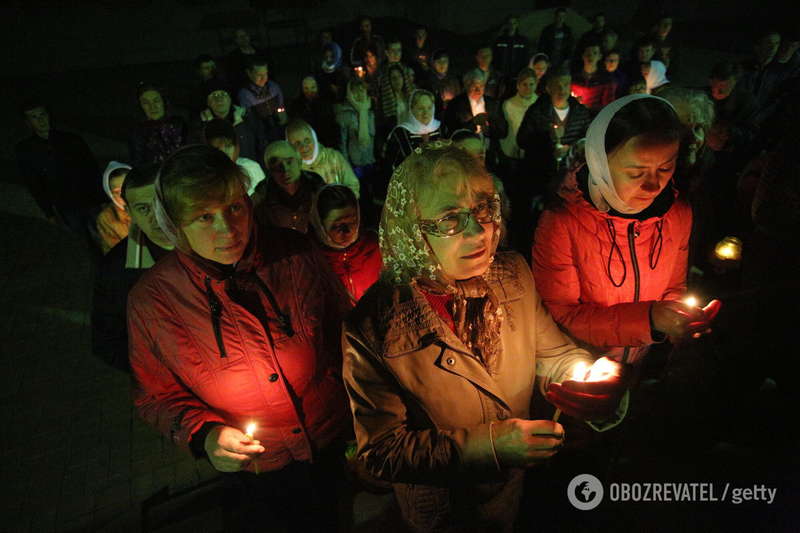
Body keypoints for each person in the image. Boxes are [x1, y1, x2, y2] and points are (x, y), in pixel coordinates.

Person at [342, 142, 628, 532]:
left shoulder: (512, 274)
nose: (479, 231)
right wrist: (490, 446)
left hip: (510, 491)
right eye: (449, 219)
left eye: (483, 209)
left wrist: (594, 378)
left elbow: (553, 354)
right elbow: (382, 451)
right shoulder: (375, 325)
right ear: (412, 231)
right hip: (441, 506)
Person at [128, 145, 351, 532]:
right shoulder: (154, 301)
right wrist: (205, 434)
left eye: (234, 207)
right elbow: (156, 395)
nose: (227, 230)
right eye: (203, 217)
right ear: (175, 226)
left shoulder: (296, 255)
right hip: (258, 471)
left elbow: (346, 336)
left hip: (331, 441)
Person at [532, 95, 720, 367]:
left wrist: (677, 320)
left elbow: (673, 287)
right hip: (579, 365)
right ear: (600, 162)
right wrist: (650, 319)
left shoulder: (677, 213)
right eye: (636, 173)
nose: (654, 185)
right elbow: (564, 314)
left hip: (641, 360)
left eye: (666, 167)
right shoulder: (562, 222)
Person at [92, 163, 173, 371]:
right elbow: (107, 342)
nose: (156, 217)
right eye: (143, 208)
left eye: (160, 203)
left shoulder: (207, 237)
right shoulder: (116, 270)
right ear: (129, 212)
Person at [15, 99, 102, 235]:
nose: (40, 120)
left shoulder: (72, 140)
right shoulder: (25, 150)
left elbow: (92, 169)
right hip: (65, 204)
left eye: (42, 115)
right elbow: (33, 182)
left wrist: (102, 198)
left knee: (106, 232)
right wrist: (48, 212)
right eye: (34, 117)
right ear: (28, 122)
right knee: (84, 236)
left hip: (89, 197)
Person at [517, 68, 592, 195]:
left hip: (571, 177)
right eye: (557, 85)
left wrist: (571, 149)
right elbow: (522, 140)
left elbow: (587, 139)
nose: (562, 89)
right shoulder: (537, 111)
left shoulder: (580, 112)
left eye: (566, 84)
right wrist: (547, 146)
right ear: (548, 88)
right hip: (541, 174)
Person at [309, 184, 381, 303]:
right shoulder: (313, 262)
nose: (347, 231)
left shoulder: (376, 247)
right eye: (337, 226)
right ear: (320, 225)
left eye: (353, 221)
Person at [252, 141, 326, 233]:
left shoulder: (318, 189)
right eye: (276, 166)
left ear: (299, 161)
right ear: (270, 171)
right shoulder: (261, 198)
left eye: (289, 162)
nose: (285, 170)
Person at [190, 81, 266, 162]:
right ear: (208, 102)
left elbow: (262, 146)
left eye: (223, 94)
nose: (219, 99)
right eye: (214, 95)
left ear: (230, 98)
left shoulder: (248, 118)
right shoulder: (200, 126)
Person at [443, 69, 508, 159]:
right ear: (466, 85)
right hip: (465, 153)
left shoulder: (492, 104)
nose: (478, 89)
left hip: (489, 153)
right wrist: (473, 123)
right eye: (474, 85)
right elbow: (452, 132)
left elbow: (503, 131)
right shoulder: (455, 104)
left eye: (481, 85)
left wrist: (489, 128)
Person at [286, 119, 360, 198]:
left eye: (307, 140)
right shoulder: (290, 170)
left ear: (314, 138)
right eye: (297, 143)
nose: (304, 147)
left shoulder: (333, 157)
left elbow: (353, 186)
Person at [129, 84, 187, 167]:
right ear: (140, 106)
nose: (152, 107)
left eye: (156, 101)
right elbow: (138, 164)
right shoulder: (137, 133)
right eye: (145, 103)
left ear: (163, 101)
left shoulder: (180, 123)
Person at [203, 118, 266, 195]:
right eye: (217, 149)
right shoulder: (206, 180)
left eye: (228, 146)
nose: (224, 153)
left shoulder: (251, 168)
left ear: (236, 146)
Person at [383, 89, 442, 170]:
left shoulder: (440, 128)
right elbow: (388, 166)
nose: (426, 113)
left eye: (429, 108)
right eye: (421, 108)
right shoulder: (400, 133)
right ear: (412, 109)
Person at [237, 56, 286, 140]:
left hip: (279, 129)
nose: (263, 78)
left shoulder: (274, 87)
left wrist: (282, 113)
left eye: (265, 74)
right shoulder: (245, 94)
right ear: (249, 73)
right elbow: (249, 119)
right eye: (259, 75)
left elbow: (281, 106)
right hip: (261, 136)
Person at [288, 75, 339, 149]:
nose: (309, 92)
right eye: (306, 88)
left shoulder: (325, 103)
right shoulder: (297, 106)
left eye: (313, 88)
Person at [95, 161, 132, 255]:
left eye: (128, 187)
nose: (125, 195)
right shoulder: (107, 219)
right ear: (110, 195)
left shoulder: (155, 203)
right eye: (118, 192)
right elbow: (118, 255)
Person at [570, 41, 617, 114]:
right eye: (588, 53)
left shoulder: (606, 80)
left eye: (594, 53)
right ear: (583, 56)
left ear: (600, 56)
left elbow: (608, 105)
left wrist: (589, 108)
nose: (591, 56)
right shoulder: (573, 77)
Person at [493, 16, 529, 81]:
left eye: (514, 23)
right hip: (501, 74)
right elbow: (495, 56)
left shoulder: (522, 40)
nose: (512, 25)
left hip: (517, 75)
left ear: (517, 24)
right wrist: (496, 70)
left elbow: (526, 57)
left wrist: (523, 72)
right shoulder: (499, 40)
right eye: (510, 23)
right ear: (506, 25)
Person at [428, 49, 462, 116]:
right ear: (433, 64)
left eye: (445, 61)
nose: (442, 64)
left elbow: (459, 98)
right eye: (439, 61)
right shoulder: (429, 81)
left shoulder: (453, 81)